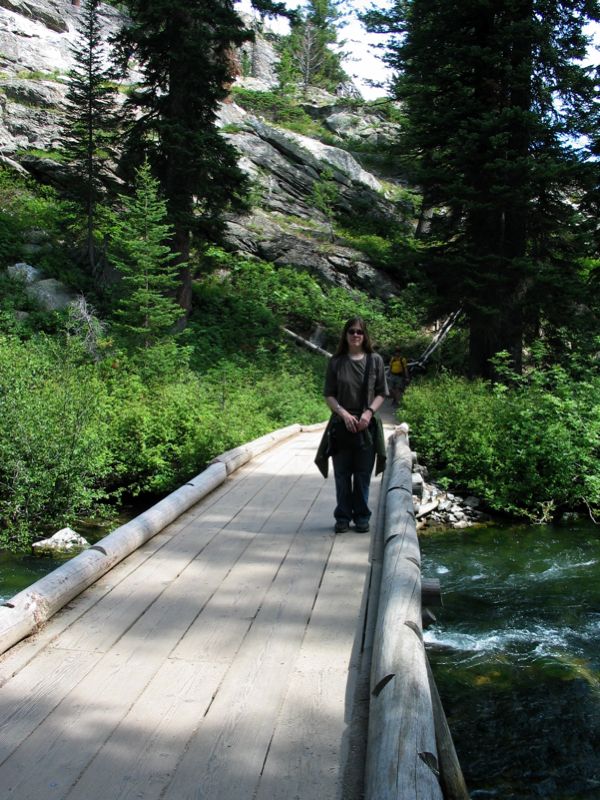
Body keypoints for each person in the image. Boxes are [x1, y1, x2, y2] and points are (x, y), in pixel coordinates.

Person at [319, 317, 388, 534]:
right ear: (345, 335)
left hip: (366, 425)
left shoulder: (375, 360)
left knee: (361, 474)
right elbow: (329, 394)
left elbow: (381, 393)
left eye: (359, 331)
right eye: (351, 331)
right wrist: (343, 413)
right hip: (342, 423)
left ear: (365, 335)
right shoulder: (336, 361)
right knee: (342, 474)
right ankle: (342, 516)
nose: (355, 335)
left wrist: (368, 414)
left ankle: (361, 516)